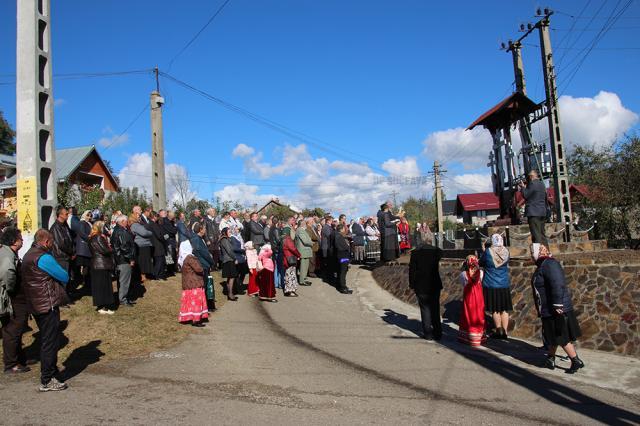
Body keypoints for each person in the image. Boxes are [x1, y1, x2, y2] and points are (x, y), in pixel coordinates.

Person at [22, 229, 70, 392]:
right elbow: (64, 276)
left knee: (46, 339)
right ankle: (47, 379)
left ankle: (52, 372)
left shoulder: (28, 254)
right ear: (46, 242)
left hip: (35, 303)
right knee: (50, 342)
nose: (52, 245)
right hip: (47, 303)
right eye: (51, 242)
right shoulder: (44, 257)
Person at [531, 243, 584, 374]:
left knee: (560, 336)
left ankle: (575, 360)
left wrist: (558, 304)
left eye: (533, 252)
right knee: (553, 335)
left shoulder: (549, 264)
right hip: (549, 308)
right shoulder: (544, 264)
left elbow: (557, 283)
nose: (531, 255)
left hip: (554, 308)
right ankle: (550, 359)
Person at [0, 227, 30, 373]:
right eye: (20, 238)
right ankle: (11, 364)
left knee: (10, 328)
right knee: (13, 329)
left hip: (13, 297)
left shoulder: (6, 252)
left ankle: (16, 358)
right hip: (14, 298)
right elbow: (7, 271)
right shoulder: (7, 255)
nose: (22, 240)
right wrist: (11, 288)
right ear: (14, 241)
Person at [409, 239, 443, 340]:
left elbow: (412, 270)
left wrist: (411, 284)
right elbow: (441, 252)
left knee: (425, 309)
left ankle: (428, 333)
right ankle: (437, 332)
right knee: (435, 308)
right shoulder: (435, 252)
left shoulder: (415, 253)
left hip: (420, 284)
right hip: (434, 283)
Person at [480, 234, 513, 339]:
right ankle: (505, 332)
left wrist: (484, 249)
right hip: (504, 284)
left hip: (491, 284)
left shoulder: (488, 252)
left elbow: (481, 262)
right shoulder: (506, 251)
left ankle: (498, 330)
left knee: (495, 309)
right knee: (504, 309)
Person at [177, 241, 208, 327]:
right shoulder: (190, 257)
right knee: (196, 302)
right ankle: (196, 320)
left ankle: (188, 317)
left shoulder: (182, 258)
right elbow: (199, 269)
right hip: (194, 283)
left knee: (189, 302)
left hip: (187, 283)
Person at [458, 255, 486, 347]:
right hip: (479, 297)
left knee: (468, 315)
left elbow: (463, 283)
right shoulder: (481, 273)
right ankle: (479, 336)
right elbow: (480, 281)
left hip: (468, 297)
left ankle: (468, 336)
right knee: (479, 314)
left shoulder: (463, 274)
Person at [88, 221, 115, 314]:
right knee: (104, 286)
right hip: (101, 264)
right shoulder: (98, 237)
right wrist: (111, 249)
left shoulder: (91, 237)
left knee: (99, 286)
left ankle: (101, 306)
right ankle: (104, 307)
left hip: (97, 264)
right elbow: (104, 250)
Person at [111, 215, 136, 307]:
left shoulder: (118, 230)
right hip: (123, 259)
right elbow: (124, 247)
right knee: (124, 281)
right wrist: (130, 259)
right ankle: (123, 299)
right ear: (122, 222)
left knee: (122, 280)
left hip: (120, 259)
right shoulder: (121, 231)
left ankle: (123, 297)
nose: (128, 222)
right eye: (126, 221)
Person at [190, 223, 217, 309]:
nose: (205, 230)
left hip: (204, 264)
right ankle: (203, 308)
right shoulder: (196, 239)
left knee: (206, 286)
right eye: (204, 229)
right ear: (200, 230)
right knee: (203, 287)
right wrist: (212, 261)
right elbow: (202, 253)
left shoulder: (200, 238)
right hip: (202, 265)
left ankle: (207, 306)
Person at [519, 170, 548, 245]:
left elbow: (526, 195)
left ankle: (539, 254)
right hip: (542, 212)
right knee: (542, 234)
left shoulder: (532, 183)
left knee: (536, 235)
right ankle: (547, 253)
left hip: (534, 212)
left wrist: (522, 187)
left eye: (529, 177)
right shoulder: (542, 184)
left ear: (532, 176)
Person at [49, 206, 75, 279]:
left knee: (68, 279)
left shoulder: (65, 225)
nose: (68, 215)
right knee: (63, 280)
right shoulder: (55, 227)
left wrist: (73, 251)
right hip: (61, 258)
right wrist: (71, 252)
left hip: (67, 257)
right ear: (60, 215)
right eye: (66, 214)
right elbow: (61, 243)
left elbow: (70, 239)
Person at [74, 210, 93, 292]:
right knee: (84, 267)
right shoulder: (82, 223)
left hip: (86, 248)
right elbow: (82, 234)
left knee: (86, 267)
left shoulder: (87, 223)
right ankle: (82, 283)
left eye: (90, 215)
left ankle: (86, 283)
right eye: (88, 215)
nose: (89, 217)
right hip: (83, 249)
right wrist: (90, 238)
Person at [131, 214, 154, 280]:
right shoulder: (135, 225)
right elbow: (144, 233)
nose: (140, 218)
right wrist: (150, 233)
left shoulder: (139, 224)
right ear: (134, 217)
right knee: (143, 261)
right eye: (138, 217)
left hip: (144, 244)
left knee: (145, 261)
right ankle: (142, 276)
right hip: (141, 245)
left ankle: (145, 275)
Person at [219, 227, 238, 301]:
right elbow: (229, 251)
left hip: (228, 260)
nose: (230, 233)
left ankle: (229, 293)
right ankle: (230, 294)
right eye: (229, 231)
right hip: (228, 260)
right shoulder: (224, 240)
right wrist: (235, 258)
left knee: (230, 277)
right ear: (225, 232)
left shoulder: (226, 239)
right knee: (232, 277)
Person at [334, 225, 353, 294]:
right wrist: (348, 246)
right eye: (344, 229)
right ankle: (343, 287)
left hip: (342, 256)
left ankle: (341, 285)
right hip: (343, 256)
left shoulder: (338, 235)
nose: (344, 230)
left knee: (342, 271)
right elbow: (342, 246)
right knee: (343, 271)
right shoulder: (339, 236)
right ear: (341, 229)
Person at [282, 228, 301, 297]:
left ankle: (288, 290)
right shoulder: (288, 239)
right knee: (291, 275)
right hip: (290, 258)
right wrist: (298, 254)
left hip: (286, 258)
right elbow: (293, 248)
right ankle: (290, 291)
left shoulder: (283, 238)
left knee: (288, 274)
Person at [148, 212, 167, 280]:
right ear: (154, 217)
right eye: (156, 216)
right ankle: (158, 275)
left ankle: (159, 275)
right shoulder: (153, 224)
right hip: (158, 245)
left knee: (158, 260)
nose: (157, 218)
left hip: (154, 245)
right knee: (159, 261)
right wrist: (164, 239)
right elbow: (159, 235)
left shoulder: (150, 224)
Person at [295, 219, 314, 286]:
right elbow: (305, 241)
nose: (305, 224)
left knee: (305, 267)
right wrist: (312, 243)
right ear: (302, 224)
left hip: (304, 251)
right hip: (303, 251)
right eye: (304, 223)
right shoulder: (300, 230)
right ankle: (302, 281)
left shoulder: (300, 230)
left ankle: (304, 279)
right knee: (303, 267)